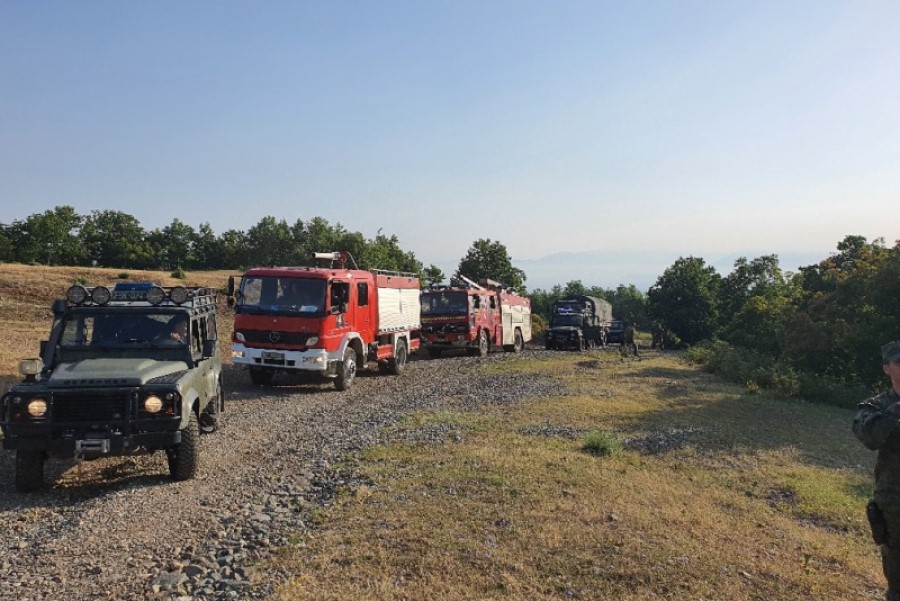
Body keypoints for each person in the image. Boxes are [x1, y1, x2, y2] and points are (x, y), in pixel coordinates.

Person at [853, 341, 900, 600]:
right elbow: (868, 438)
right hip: (895, 505)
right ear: (887, 369)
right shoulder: (876, 406)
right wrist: (894, 414)